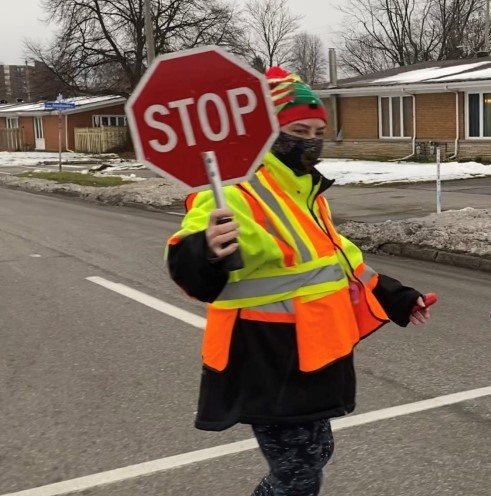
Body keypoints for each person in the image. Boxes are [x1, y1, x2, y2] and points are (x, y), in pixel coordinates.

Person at [165, 67, 430, 496]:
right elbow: (187, 257)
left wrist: (397, 298)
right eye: (297, 129)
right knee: (297, 472)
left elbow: (338, 259)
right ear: (265, 133)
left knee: (313, 455)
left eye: (317, 130)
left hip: (310, 358)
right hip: (267, 363)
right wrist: (207, 249)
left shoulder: (303, 193)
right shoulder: (234, 190)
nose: (310, 139)